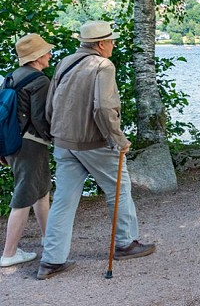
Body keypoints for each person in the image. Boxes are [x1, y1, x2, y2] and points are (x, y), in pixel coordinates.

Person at [38, 21, 155, 280]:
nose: (113, 45)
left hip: (63, 141)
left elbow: (51, 102)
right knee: (119, 189)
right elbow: (103, 108)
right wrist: (118, 139)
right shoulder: (103, 65)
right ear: (101, 44)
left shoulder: (66, 61)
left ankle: (51, 260)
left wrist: (52, 131)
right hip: (95, 143)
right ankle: (125, 243)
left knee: (63, 200)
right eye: (111, 41)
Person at [0, 34, 54, 268]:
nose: (50, 55)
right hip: (31, 144)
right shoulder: (39, 81)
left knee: (41, 191)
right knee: (23, 197)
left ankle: (49, 239)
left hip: (12, 143)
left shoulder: (12, 77)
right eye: (47, 52)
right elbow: (40, 118)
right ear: (38, 57)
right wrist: (55, 139)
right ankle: (9, 253)